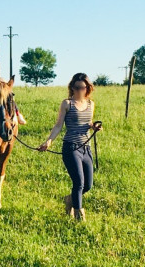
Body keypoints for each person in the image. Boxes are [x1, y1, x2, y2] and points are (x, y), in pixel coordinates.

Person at [38, 73, 103, 221]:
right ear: (72, 88)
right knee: (78, 182)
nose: (79, 90)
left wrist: (94, 127)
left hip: (86, 148)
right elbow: (58, 125)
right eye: (76, 87)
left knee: (88, 185)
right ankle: (79, 214)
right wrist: (48, 141)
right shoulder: (67, 104)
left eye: (82, 87)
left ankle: (70, 199)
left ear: (88, 88)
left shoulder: (90, 104)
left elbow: (88, 122)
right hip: (71, 147)